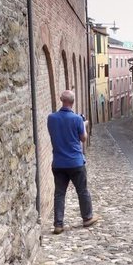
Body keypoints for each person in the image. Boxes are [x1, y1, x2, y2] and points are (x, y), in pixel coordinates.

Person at [47, 90, 99, 234]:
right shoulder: (77, 119)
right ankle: (87, 217)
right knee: (82, 191)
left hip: (58, 162)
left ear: (60, 100)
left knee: (59, 194)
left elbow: (55, 133)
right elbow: (83, 138)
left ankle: (58, 224)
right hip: (75, 162)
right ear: (73, 102)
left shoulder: (51, 118)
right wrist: (84, 125)